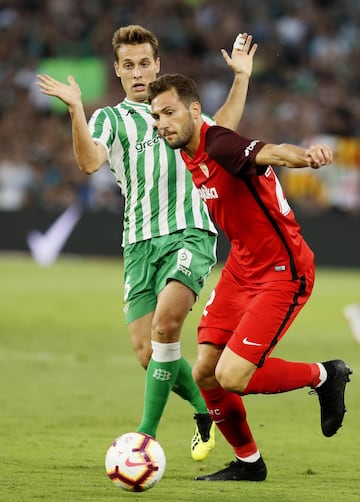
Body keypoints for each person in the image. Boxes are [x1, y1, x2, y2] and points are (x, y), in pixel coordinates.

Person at [36, 25, 258, 461]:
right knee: (147, 353)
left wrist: (242, 77)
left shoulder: (176, 111)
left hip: (190, 233)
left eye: (144, 63)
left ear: (157, 65)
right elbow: (87, 162)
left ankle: (143, 438)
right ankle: (203, 409)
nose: (138, 72)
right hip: (138, 243)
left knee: (165, 328)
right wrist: (76, 109)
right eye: (128, 65)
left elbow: (224, 128)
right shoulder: (109, 119)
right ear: (117, 71)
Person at [148, 73, 353, 481]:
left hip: (283, 270)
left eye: (168, 113)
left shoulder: (221, 146)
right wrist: (241, 76)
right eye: (156, 117)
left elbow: (271, 151)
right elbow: (224, 121)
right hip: (241, 268)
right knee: (205, 371)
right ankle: (248, 463)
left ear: (193, 111)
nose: (161, 123)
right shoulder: (192, 143)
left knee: (231, 376)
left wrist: (305, 158)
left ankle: (325, 374)